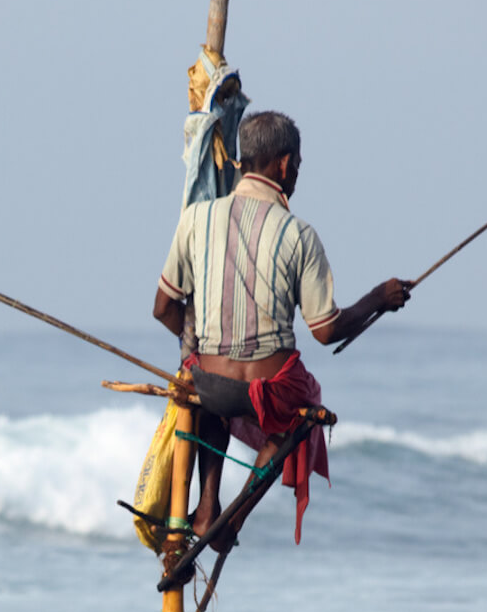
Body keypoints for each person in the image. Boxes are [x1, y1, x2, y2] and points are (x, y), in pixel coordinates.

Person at [153, 110, 409, 552]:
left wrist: (195, 349)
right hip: (270, 389)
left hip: (210, 384)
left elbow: (163, 308)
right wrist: (376, 301)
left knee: (209, 396)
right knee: (304, 410)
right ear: (285, 164)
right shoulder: (299, 235)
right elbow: (326, 331)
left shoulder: (196, 218)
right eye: (299, 167)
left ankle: (207, 506)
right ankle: (233, 518)